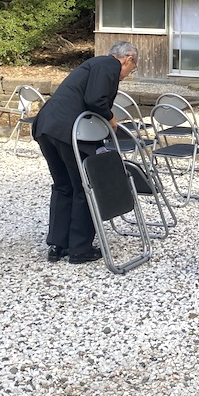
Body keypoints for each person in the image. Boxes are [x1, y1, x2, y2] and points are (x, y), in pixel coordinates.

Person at [32, 42, 138, 264]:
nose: (128, 75)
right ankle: (80, 249)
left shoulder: (92, 65)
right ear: (128, 59)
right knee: (85, 187)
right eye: (132, 69)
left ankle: (57, 245)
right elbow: (94, 99)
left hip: (46, 126)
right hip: (70, 131)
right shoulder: (108, 65)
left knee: (63, 186)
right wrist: (110, 117)